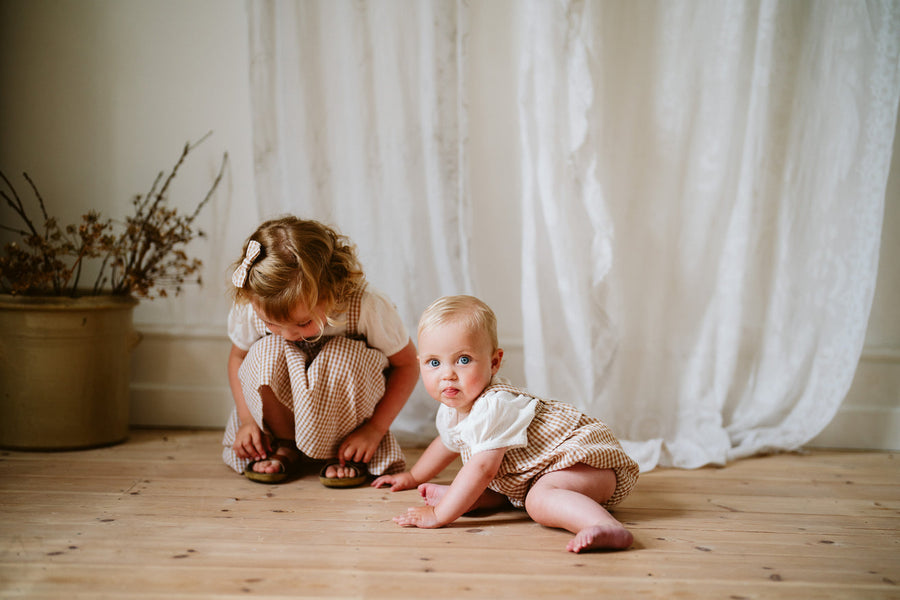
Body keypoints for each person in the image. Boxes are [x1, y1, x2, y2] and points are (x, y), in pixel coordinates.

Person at [372, 295, 639, 552]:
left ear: (494, 362)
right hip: (543, 471)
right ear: (421, 365)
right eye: (434, 363)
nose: (447, 375)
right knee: (506, 489)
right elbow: (446, 442)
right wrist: (413, 476)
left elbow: (483, 468)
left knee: (538, 500)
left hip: (585, 462)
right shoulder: (453, 407)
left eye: (463, 360)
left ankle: (604, 525)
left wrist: (440, 514)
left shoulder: (494, 405)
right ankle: (470, 498)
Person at [222, 216, 418, 487]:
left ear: (332, 290)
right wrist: (246, 420)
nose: (290, 334)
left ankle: (342, 453)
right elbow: (238, 358)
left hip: (346, 424)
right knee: (267, 351)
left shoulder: (365, 306)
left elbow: (408, 365)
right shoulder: (255, 303)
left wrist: (374, 429)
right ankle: (286, 445)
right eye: (271, 323)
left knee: (341, 356)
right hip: (285, 417)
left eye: (303, 323)